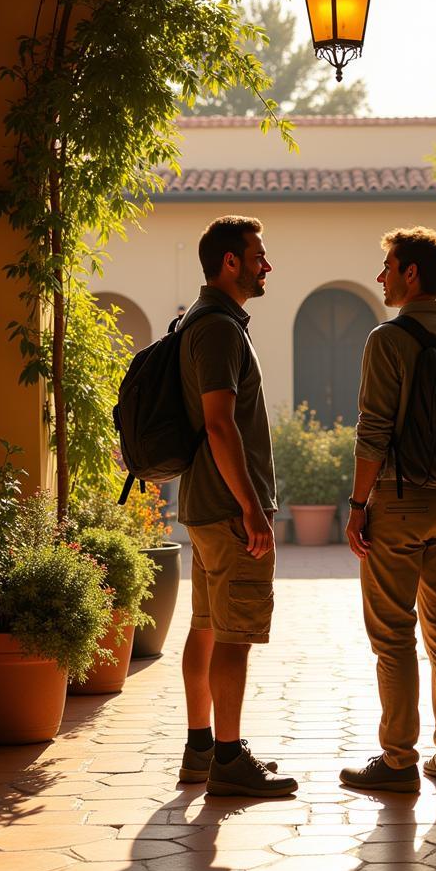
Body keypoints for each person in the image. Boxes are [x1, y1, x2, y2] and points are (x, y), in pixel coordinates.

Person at [340, 227, 436, 793]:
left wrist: (358, 506)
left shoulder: (387, 340)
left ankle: (399, 760)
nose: (380, 276)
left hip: (400, 505)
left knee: (394, 635)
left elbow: (373, 432)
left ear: (411, 275)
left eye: (387, 266)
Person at [175, 215, 297, 798]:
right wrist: (251, 508)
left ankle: (202, 748)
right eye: (258, 256)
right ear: (231, 262)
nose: (265, 265)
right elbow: (221, 425)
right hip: (226, 508)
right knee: (234, 635)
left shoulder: (203, 320)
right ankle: (226, 758)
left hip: (205, 504)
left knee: (206, 627)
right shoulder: (220, 328)